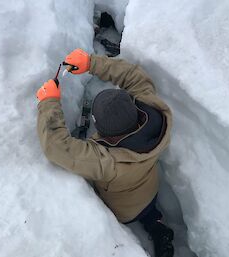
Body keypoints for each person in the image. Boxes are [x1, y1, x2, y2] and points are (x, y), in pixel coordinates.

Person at [36, 49, 174, 257]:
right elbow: (133, 75)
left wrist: (48, 103)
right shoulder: (154, 112)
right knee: (149, 214)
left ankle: (133, 230)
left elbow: (57, 147)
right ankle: (156, 225)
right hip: (150, 190)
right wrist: (91, 63)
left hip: (122, 210)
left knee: (120, 211)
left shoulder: (106, 161)